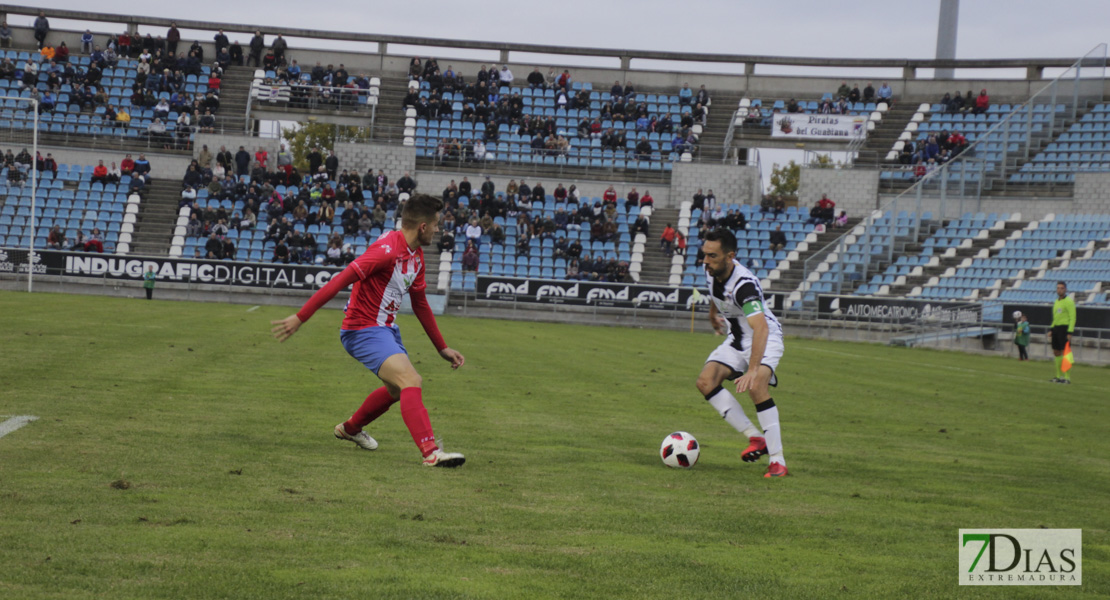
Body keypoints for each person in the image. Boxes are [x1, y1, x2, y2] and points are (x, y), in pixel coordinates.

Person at [270, 194, 467, 468]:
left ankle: (350, 429)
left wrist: (441, 347)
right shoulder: (386, 250)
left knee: (398, 390)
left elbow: (420, 304)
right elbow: (340, 280)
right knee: (411, 379)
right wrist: (301, 317)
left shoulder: (416, 256)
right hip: (361, 330)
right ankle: (430, 452)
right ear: (423, 226)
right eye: (436, 224)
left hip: (385, 330)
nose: (438, 230)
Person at [695, 228, 788, 478]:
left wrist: (754, 369)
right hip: (737, 338)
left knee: (757, 387)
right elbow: (717, 291)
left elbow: (761, 328)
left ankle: (778, 461)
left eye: (712, 256)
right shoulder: (711, 269)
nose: (705, 261)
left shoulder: (744, 286)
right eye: (704, 255)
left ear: (730, 256)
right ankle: (756, 438)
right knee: (705, 381)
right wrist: (712, 314)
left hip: (765, 339)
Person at [1050, 281, 1076, 384]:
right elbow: (1055, 317)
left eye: (1061, 288)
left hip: (1064, 329)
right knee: (1056, 352)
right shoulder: (1056, 301)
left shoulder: (1069, 302)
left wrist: (1070, 331)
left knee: (1066, 352)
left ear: (1065, 289)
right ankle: (1058, 376)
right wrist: (1052, 329)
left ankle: (1067, 377)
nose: (1059, 290)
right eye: (1058, 288)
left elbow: (1072, 317)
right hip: (1056, 328)